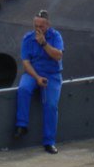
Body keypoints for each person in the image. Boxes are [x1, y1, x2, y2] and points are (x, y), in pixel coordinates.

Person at [13, 9, 64, 154]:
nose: (37, 29)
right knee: (23, 89)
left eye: (41, 26)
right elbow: (26, 62)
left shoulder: (55, 36)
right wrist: (36, 78)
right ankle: (21, 125)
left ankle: (49, 141)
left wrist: (44, 44)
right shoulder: (28, 38)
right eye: (35, 26)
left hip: (52, 74)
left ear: (47, 25)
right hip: (34, 72)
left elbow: (58, 56)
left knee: (51, 105)